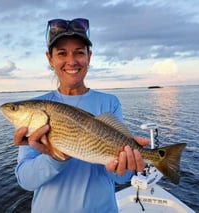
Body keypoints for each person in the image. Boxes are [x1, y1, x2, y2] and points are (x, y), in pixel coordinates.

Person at [13, 18, 148, 213]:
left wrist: (125, 166)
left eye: (79, 53)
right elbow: (26, 180)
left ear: (89, 57)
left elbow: (120, 178)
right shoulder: (36, 109)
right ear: (50, 58)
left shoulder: (110, 103)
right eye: (61, 53)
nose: (72, 61)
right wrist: (55, 157)